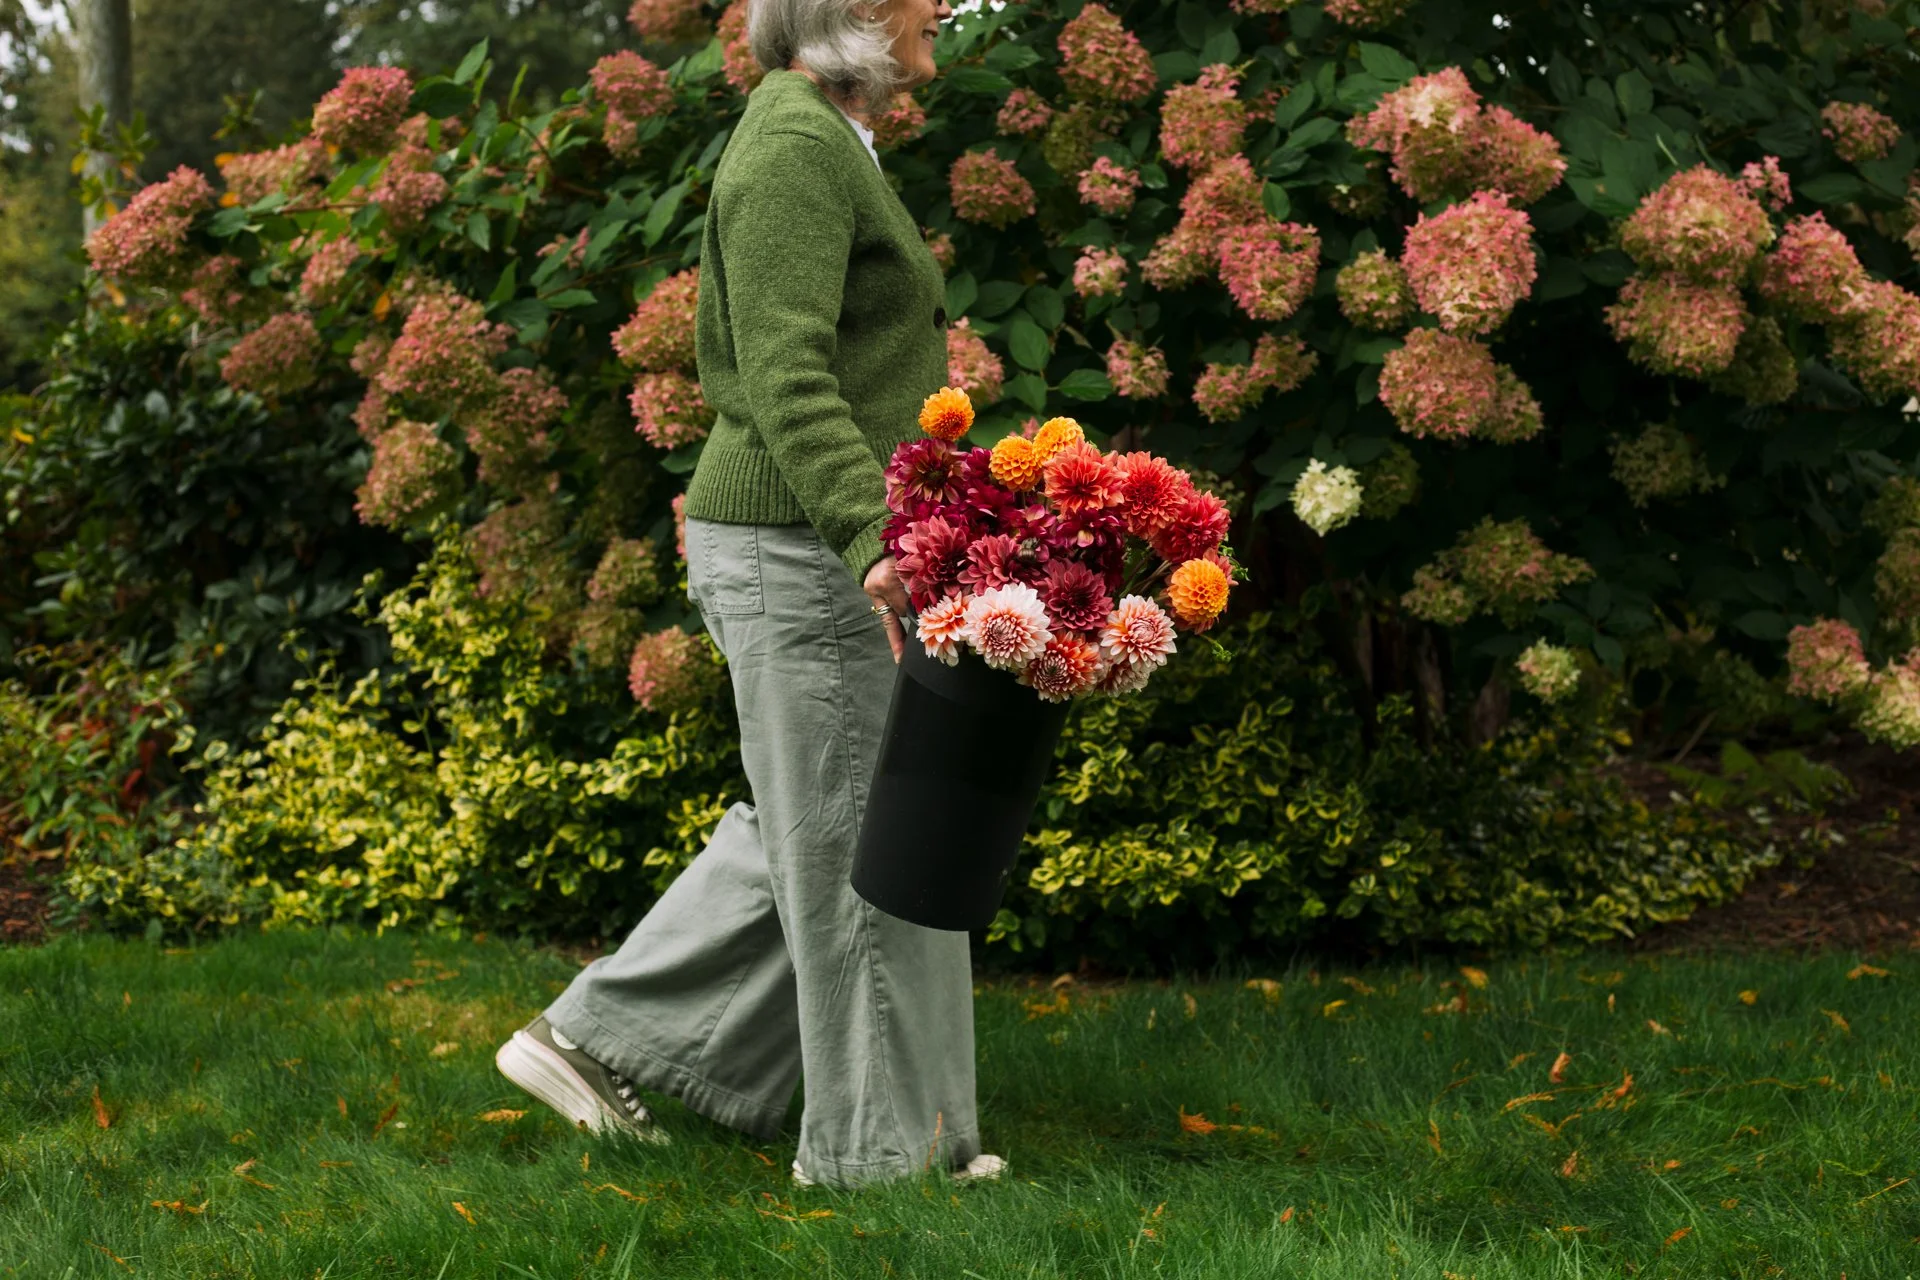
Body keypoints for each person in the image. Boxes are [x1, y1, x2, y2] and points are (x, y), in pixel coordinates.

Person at [494, 0, 1004, 1191]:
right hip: (802, 544)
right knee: (852, 846)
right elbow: (782, 364)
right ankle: (882, 1163)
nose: (940, 8)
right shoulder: (791, 143)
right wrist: (873, 536)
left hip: (808, 537)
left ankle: (601, 1037)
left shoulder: (826, 134)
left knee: (832, 818)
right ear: (859, 12)